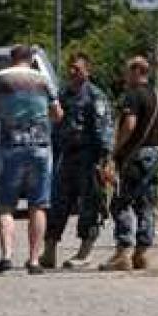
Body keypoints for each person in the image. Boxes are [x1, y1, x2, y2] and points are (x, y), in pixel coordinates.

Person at [0, 45, 62, 274]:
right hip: (40, 147)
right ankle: (33, 260)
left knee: (5, 205)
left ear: (11, 58)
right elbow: (58, 113)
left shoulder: (1, 78)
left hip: (10, 146)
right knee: (39, 204)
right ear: (31, 59)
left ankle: (6, 256)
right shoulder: (42, 79)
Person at [42, 52, 114, 270]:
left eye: (78, 68)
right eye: (71, 68)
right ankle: (49, 251)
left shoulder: (95, 96)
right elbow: (54, 123)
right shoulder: (63, 94)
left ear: (87, 71)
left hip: (89, 158)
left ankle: (85, 253)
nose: (73, 72)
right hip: (66, 157)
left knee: (90, 205)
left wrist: (104, 162)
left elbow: (104, 132)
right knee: (57, 204)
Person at [100, 56, 158, 272]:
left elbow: (129, 125)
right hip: (155, 154)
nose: (124, 76)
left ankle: (123, 252)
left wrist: (115, 150)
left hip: (135, 156)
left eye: (127, 71)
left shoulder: (133, 95)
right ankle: (142, 253)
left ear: (137, 71)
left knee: (121, 202)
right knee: (146, 204)